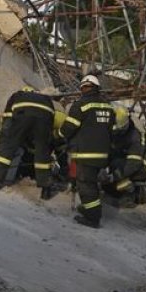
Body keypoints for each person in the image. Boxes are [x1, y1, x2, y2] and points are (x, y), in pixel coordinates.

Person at [57, 74, 115, 228]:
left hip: (85, 154)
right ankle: (90, 208)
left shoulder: (80, 105)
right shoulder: (108, 107)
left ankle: (93, 217)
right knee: (92, 184)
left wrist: (58, 135)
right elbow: (113, 130)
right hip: (103, 155)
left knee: (86, 185)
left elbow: (69, 128)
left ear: (83, 88)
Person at [0, 86, 56, 199]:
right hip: (45, 114)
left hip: (24, 113)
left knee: (7, 145)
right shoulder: (45, 99)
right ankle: (46, 190)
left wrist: (5, 139)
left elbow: (8, 123)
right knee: (42, 151)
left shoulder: (17, 96)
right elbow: (48, 125)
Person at [105, 105, 146, 208]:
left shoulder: (135, 138)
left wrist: (115, 176)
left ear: (124, 126)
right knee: (109, 181)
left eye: (118, 130)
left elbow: (133, 164)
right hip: (131, 161)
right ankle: (125, 189)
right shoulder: (120, 132)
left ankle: (133, 193)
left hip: (145, 165)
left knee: (116, 167)